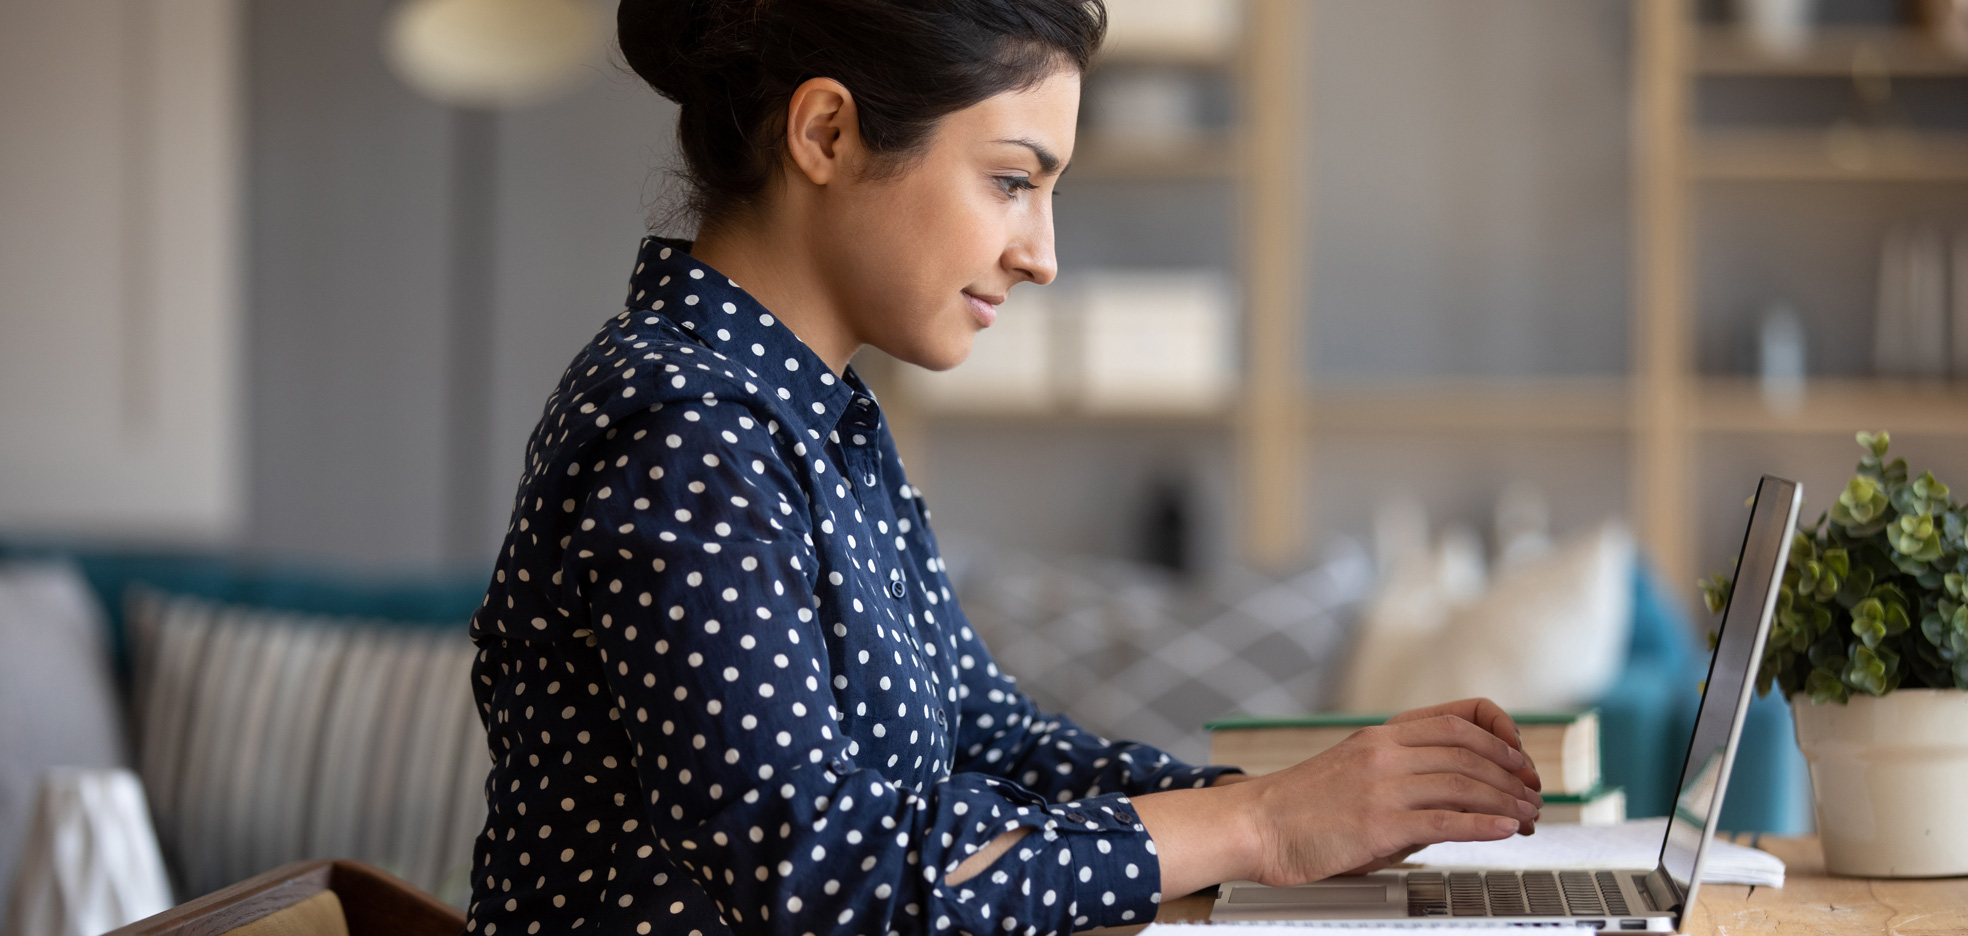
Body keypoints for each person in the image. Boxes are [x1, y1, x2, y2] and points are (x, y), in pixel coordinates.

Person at [463, 1, 1544, 933]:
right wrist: (1255, 826)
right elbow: (822, 880)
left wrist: (1306, 807)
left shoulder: (815, 422)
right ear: (828, 133)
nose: (1044, 255)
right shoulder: (685, 425)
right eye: (1013, 181)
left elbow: (989, 740)